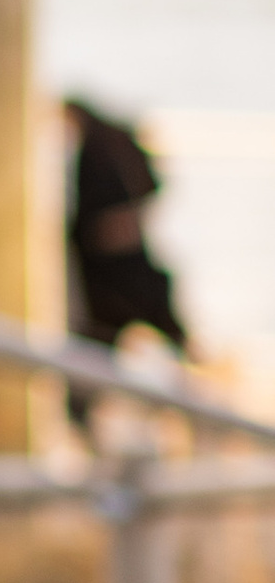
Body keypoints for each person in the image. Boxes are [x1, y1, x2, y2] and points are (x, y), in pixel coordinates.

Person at [62, 98, 190, 422]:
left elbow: (148, 190)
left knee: (99, 348)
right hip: (111, 270)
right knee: (99, 351)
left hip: (117, 274)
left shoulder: (104, 147)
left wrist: (120, 225)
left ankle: (197, 409)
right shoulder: (103, 144)